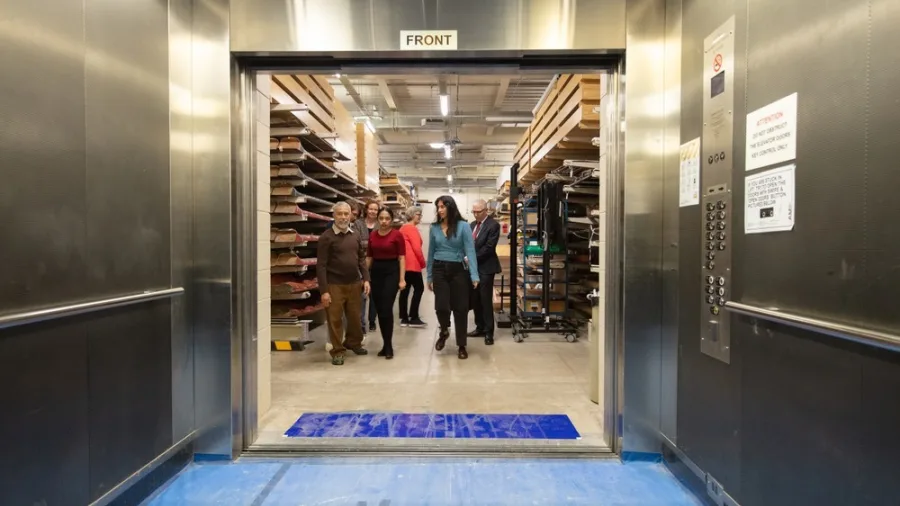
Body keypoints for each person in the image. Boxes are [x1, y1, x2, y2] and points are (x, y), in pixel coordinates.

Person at [316, 202, 371, 366]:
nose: (343, 217)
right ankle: (338, 351)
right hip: (334, 285)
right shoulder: (326, 237)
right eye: (339, 213)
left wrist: (366, 279)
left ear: (350, 215)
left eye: (346, 214)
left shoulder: (355, 235)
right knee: (335, 320)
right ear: (333, 215)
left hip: (354, 283)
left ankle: (353, 343)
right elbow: (321, 265)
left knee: (355, 318)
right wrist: (324, 290)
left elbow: (361, 259)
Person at [426, 195, 479, 360]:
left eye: (442, 206)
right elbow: (430, 252)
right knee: (441, 306)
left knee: (460, 309)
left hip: (458, 270)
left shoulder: (463, 226)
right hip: (439, 268)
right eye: (438, 207)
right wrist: (429, 276)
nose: (440, 210)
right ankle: (444, 330)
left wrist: (474, 274)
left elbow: (470, 251)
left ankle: (462, 345)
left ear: (450, 207)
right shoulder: (434, 227)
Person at [366, 207, 406, 359]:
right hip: (376, 272)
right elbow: (369, 257)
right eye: (381, 218)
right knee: (379, 310)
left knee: (386, 308)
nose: (384, 221)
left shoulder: (397, 235)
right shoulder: (373, 235)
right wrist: (364, 277)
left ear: (391, 219)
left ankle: (388, 346)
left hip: (392, 272)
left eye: (387, 218)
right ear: (378, 219)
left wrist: (402, 279)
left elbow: (402, 257)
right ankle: (385, 344)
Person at [468, 199, 501, 345]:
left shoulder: (493, 225)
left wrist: (471, 258)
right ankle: (479, 327)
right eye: (473, 211)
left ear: (486, 210)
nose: (475, 214)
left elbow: (489, 247)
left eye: (478, 212)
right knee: (475, 299)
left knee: (485, 299)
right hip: (473, 268)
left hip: (486, 267)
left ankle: (489, 332)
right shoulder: (472, 225)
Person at [399, 206, 427, 328]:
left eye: (420, 214)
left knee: (405, 291)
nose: (420, 216)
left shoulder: (403, 228)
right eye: (417, 214)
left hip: (404, 264)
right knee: (419, 288)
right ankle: (414, 317)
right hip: (412, 264)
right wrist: (423, 263)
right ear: (411, 215)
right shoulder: (411, 229)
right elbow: (416, 248)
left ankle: (404, 318)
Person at [360, 199, 380, 333]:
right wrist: (371, 244)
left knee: (374, 295)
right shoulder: (358, 224)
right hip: (360, 263)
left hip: (377, 263)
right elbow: (356, 241)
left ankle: (372, 320)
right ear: (366, 209)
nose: (373, 211)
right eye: (371, 209)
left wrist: (366, 244)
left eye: (375, 210)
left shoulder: (380, 224)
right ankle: (361, 322)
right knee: (362, 294)